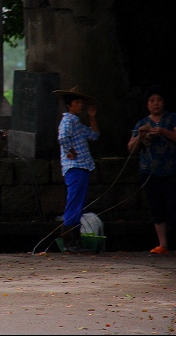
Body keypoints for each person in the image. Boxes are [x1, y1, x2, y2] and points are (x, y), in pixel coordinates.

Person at [128, 86, 176, 255]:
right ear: (147, 104)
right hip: (149, 171)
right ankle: (162, 244)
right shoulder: (142, 123)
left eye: (158, 100)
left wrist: (163, 132)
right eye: (152, 101)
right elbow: (131, 148)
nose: (155, 104)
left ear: (163, 102)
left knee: (174, 204)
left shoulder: (173, 118)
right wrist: (140, 136)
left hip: (172, 169)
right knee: (156, 206)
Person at [53, 86, 99, 253]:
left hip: (83, 166)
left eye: (81, 102)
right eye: (77, 102)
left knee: (77, 202)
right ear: (69, 105)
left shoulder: (76, 122)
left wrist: (92, 118)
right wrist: (69, 150)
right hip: (75, 167)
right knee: (74, 202)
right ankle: (70, 241)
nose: (80, 105)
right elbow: (63, 137)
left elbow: (94, 135)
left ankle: (74, 241)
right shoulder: (68, 121)